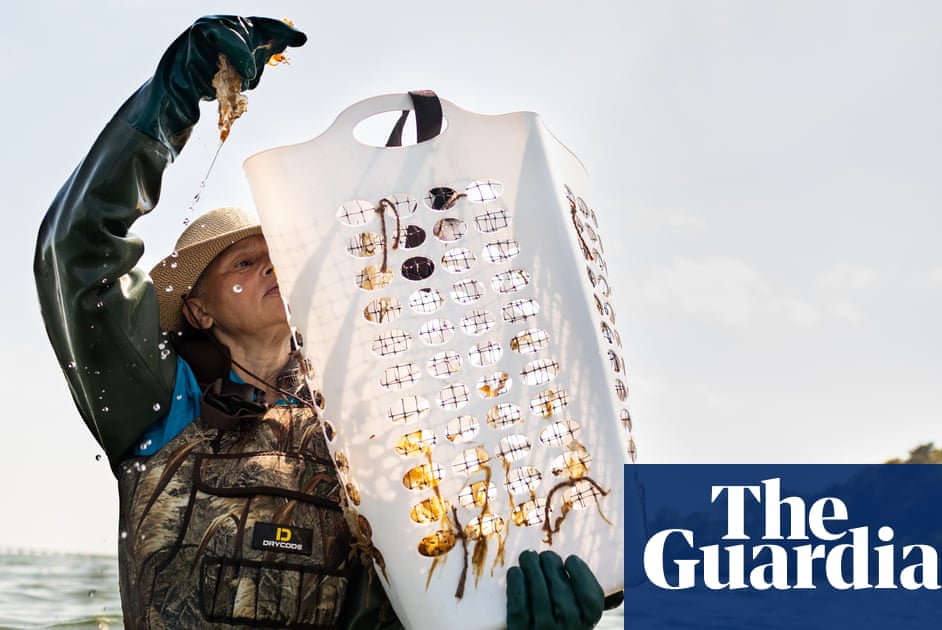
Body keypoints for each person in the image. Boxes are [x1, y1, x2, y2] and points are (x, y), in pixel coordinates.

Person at [35, 15, 618, 629]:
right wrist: (175, 96)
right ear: (200, 309)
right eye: (244, 262)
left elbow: (418, 597)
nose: (272, 271)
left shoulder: (363, 431)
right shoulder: (159, 398)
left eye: (278, 258)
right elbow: (75, 249)